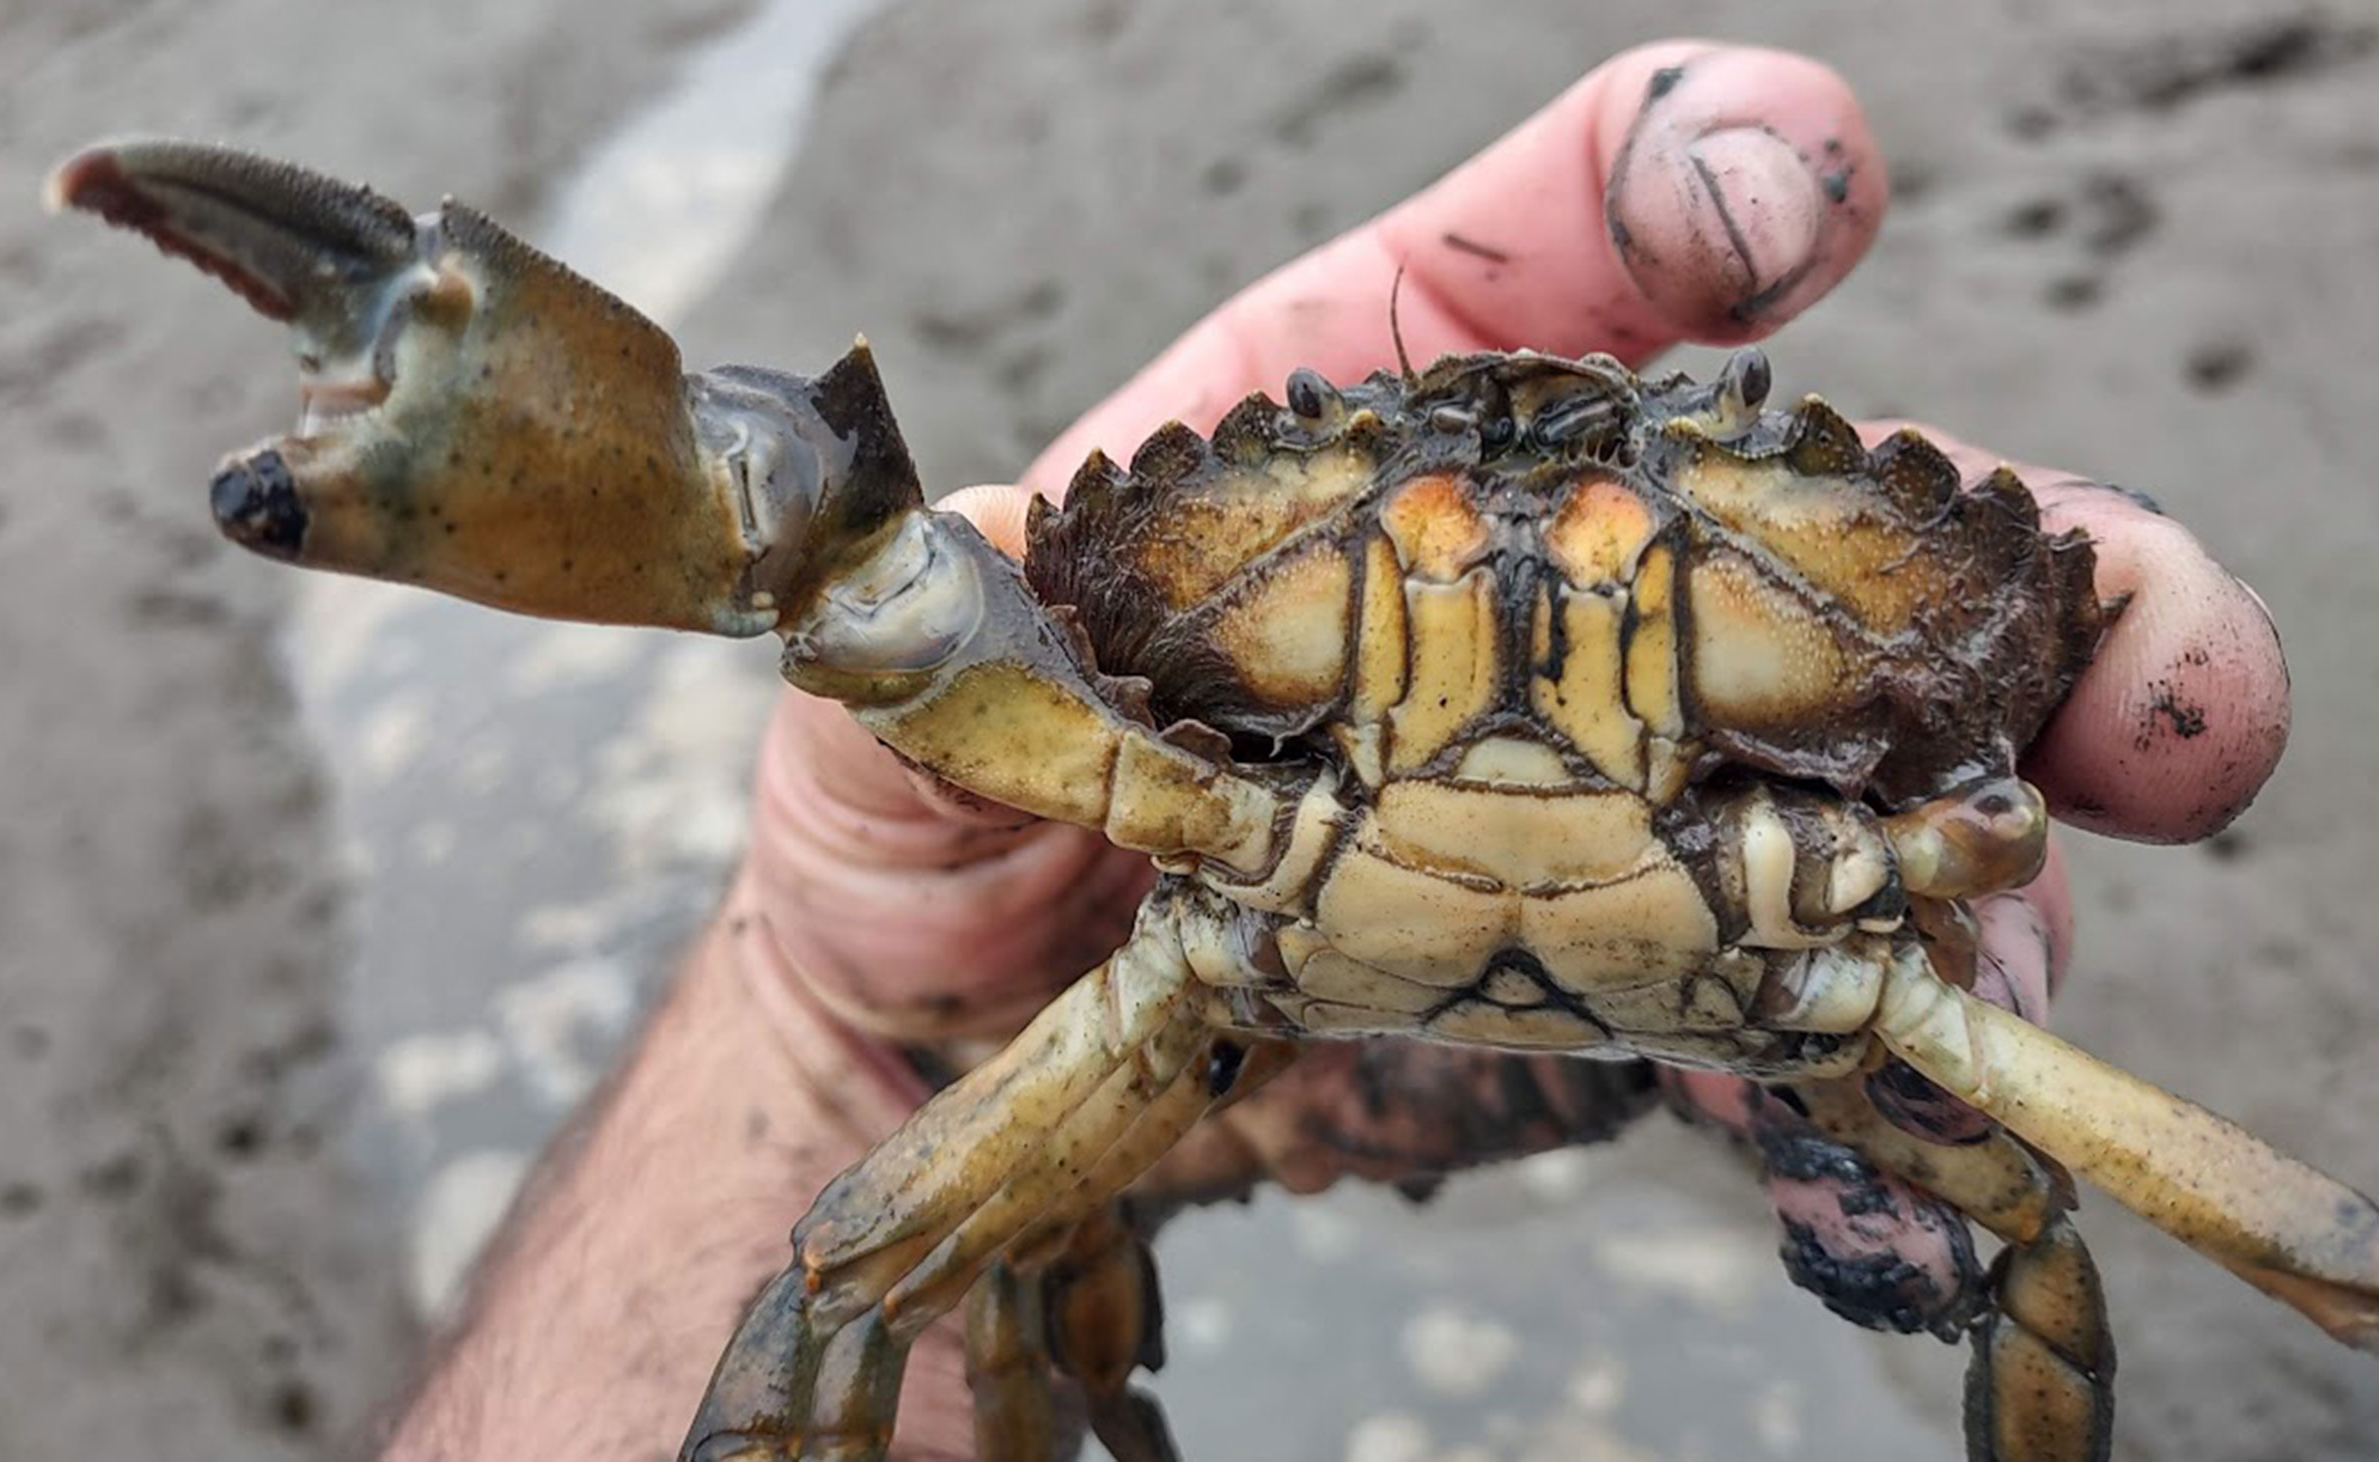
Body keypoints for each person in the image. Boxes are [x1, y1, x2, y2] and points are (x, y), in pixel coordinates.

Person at [382, 42, 2289, 1461]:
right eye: (1386, 476)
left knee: (2036, 1242)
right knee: (864, 1275)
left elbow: (2049, 695)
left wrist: (826, 1048)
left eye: (1668, 502)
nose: (1518, 547)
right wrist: (836, 1032)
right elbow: (850, 574)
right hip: (1268, 980)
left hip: (1304, 965)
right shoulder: (1108, 831)